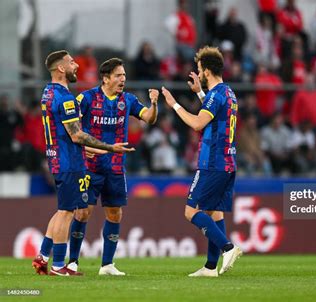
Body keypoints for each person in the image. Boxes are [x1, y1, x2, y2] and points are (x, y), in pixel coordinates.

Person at [32, 50, 134, 276]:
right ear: (61, 69)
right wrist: (110, 147)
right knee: (67, 212)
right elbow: (76, 135)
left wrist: (86, 148)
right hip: (68, 162)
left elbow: (66, 135)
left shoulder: (48, 93)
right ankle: (59, 265)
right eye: (71, 62)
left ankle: (43, 256)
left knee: (62, 211)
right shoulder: (66, 98)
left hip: (58, 157)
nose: (76, 65)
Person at [66, 58, 159, 275]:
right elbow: (71, 125)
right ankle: (73, 262)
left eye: (124, 76)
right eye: (118, 75)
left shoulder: (128, 100)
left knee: (115, 213)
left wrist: (154, 104)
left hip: (116, 168)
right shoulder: (87, 98)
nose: (123, 79)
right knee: (82, 213)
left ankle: (107, 265)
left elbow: (148, 118)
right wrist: (80, 146)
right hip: (90, 167)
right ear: (106, 78)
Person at [161, 46, 242, 277]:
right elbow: (214, 114)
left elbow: (198, 123)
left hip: (213, 161)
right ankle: (209, 267)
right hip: (227, 161)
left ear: (206, 71)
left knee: (190, 212)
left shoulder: (217, 95)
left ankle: (228, 248)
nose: (198, 74)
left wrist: (174, 104)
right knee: (215, 213)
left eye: (199, 70)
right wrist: (198, 93)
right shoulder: (228, 93)